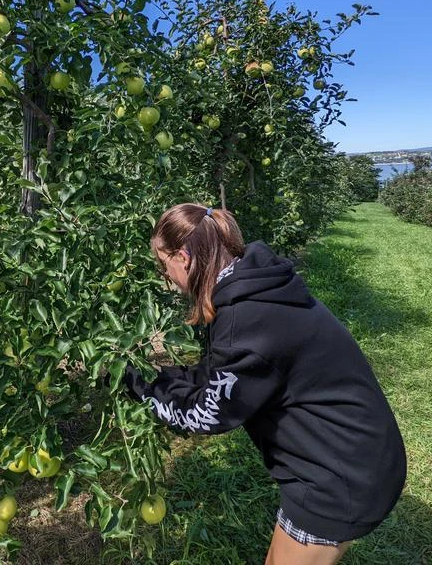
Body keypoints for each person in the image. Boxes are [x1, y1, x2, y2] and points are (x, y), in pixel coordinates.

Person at [122, 203, 407, 565]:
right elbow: (216, 376)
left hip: (339, 480)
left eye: (164, 266)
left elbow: (205, 415)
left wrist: (141, 388)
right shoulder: (255, 290)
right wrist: (153, 375)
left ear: (182, 258)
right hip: (347, 455)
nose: (167, 278)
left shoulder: (247, 323)